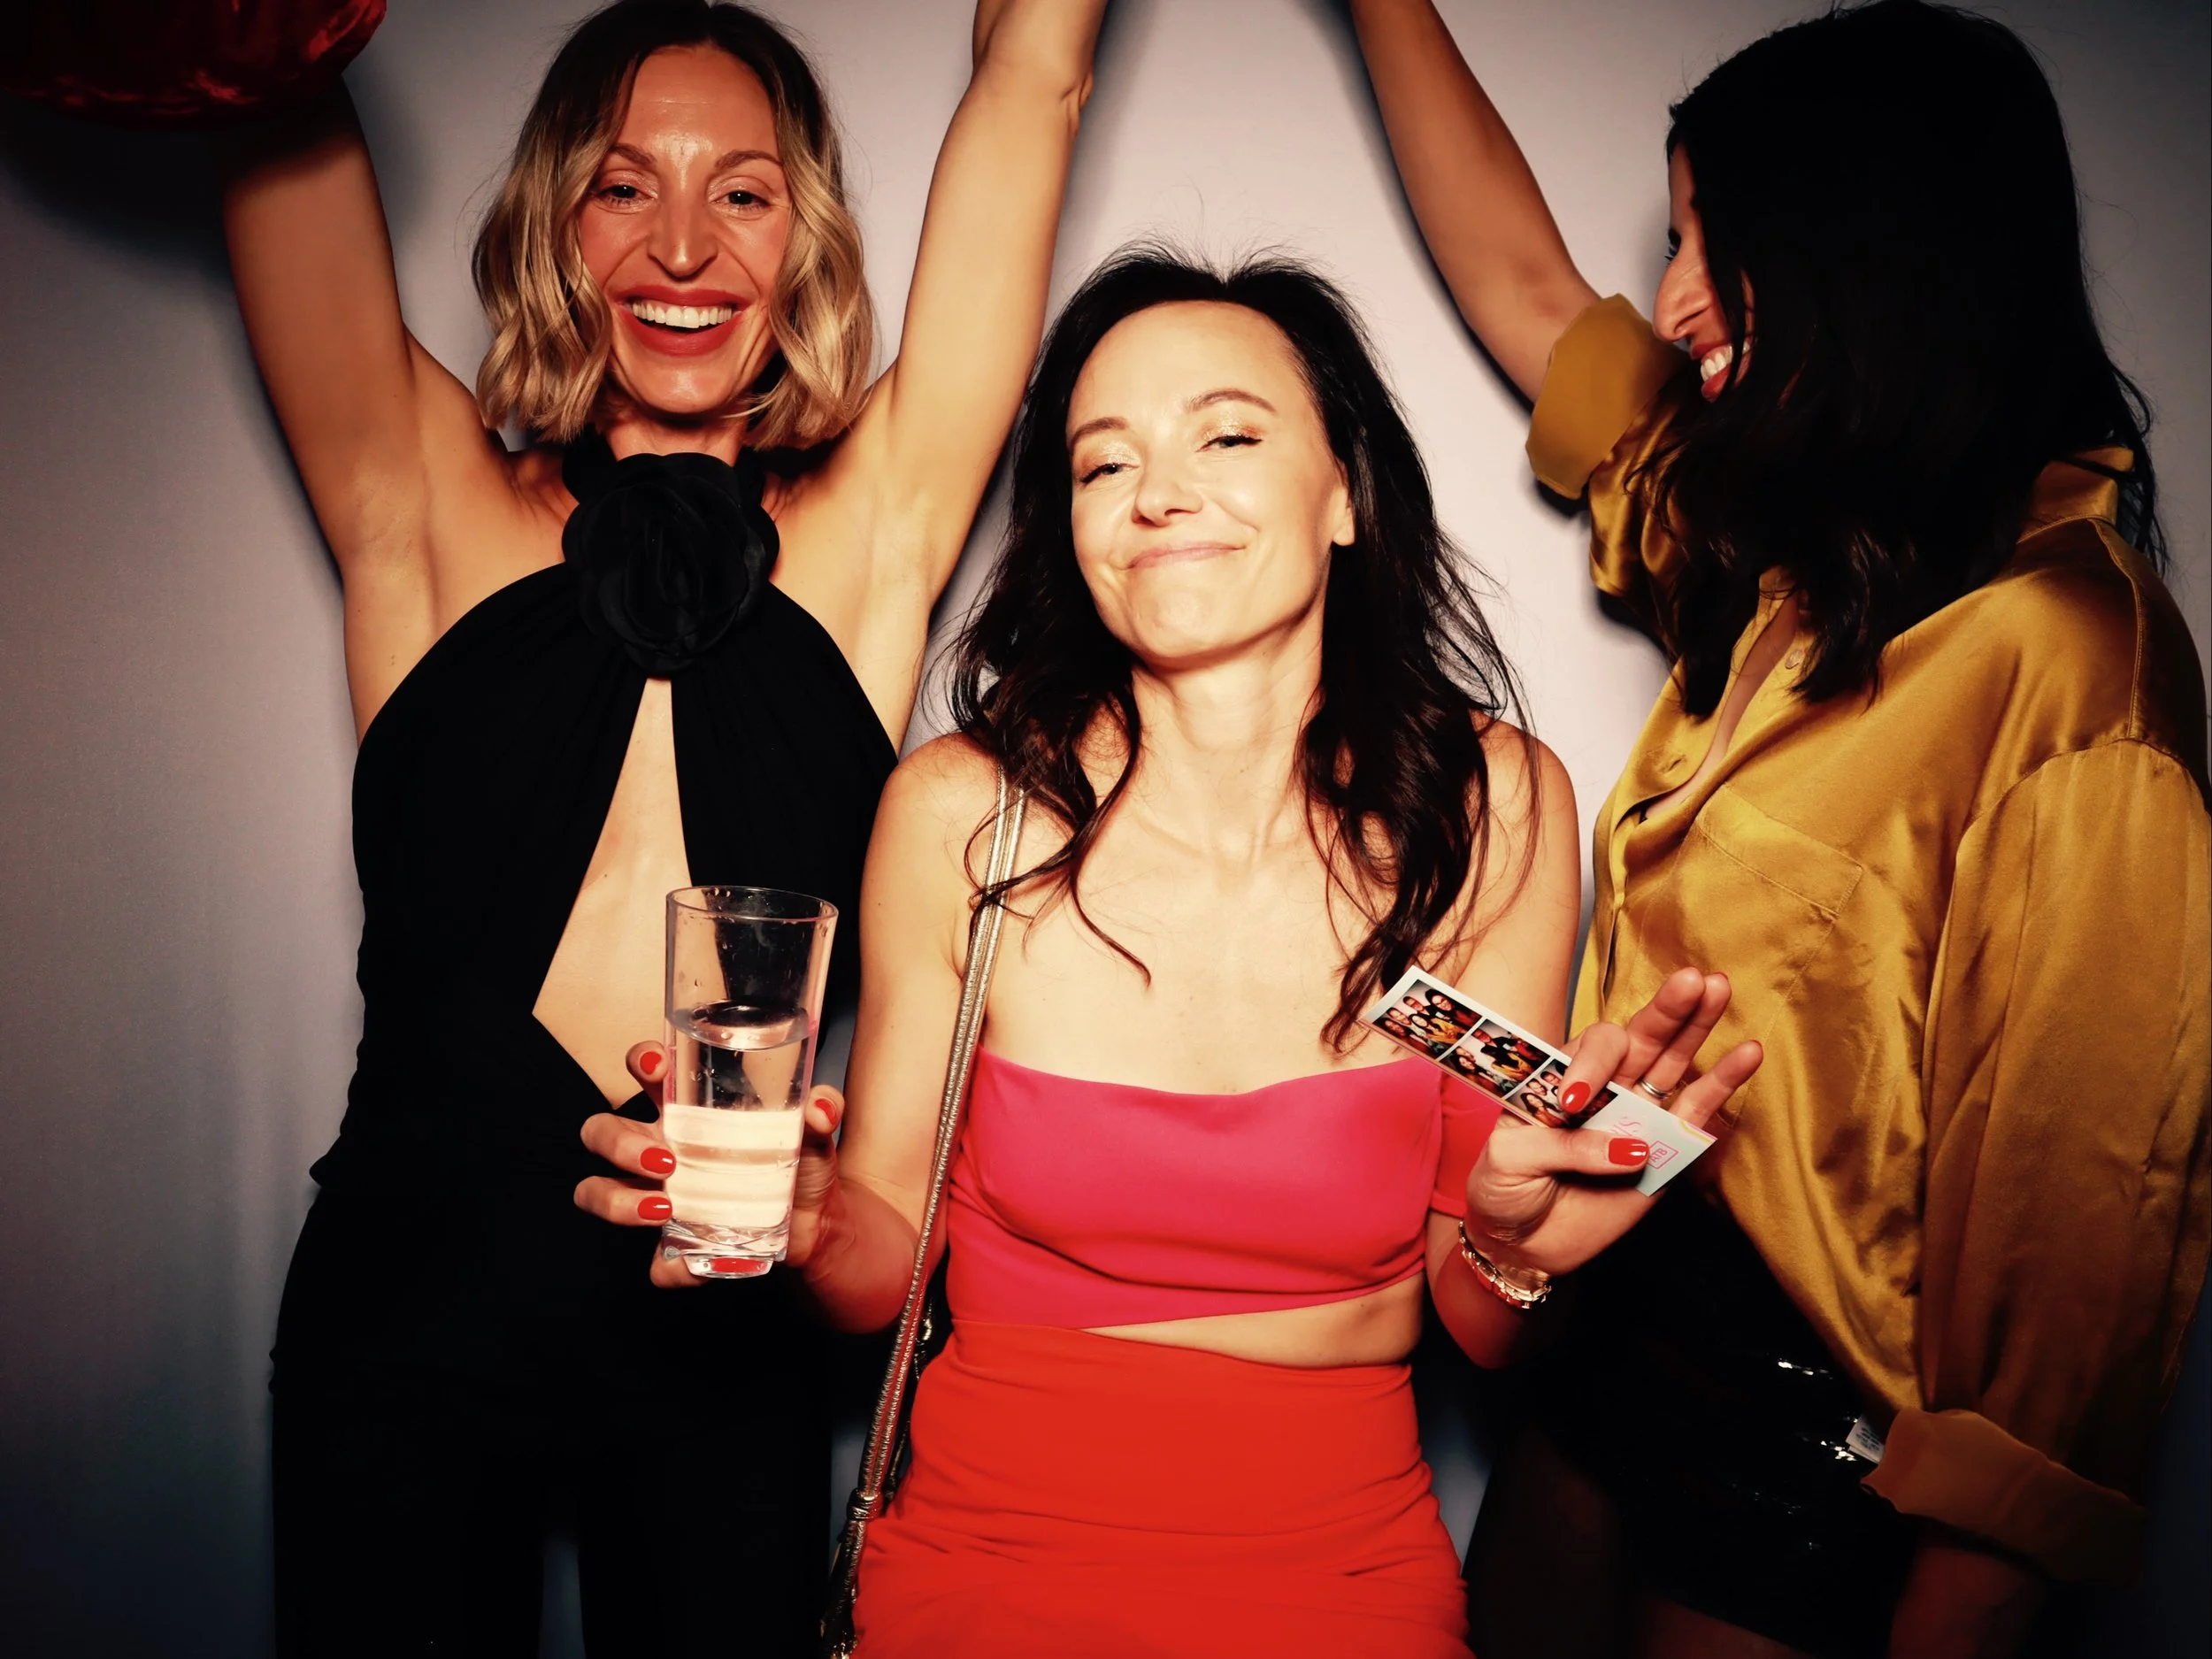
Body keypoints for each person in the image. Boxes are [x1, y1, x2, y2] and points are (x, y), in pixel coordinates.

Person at [578, 248, 1764, 1659]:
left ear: (1342, 492)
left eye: (1229, 434)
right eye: (1101, 462)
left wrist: (1512, 1248)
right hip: (983, 1561)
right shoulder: (965, 816)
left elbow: (1481, 1315)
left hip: (1342, 1574)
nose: (1156, 492)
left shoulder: (1488, 804)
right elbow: (884, 1263)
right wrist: (813, 1215)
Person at [205, 0, 1105, 1651]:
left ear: (806, 237)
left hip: (725, 1334)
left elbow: (1032, 77)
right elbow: (257, 85)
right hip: (405, 1317)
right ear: (558, 222)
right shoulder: (424, 497)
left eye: (744, 193)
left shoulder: (878, 528)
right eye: (625, 187)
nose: (683, 244)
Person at [1344, 3, 2211, 1655]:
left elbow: (2075, 1243)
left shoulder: (2074, 662)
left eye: (1710, 243)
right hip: (1607, 1359)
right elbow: (1534, 298)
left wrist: (1962, 1603)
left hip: (1824, 1452)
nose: (1674, 301)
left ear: (1865, 251)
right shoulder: (1782, 550)